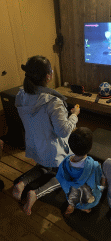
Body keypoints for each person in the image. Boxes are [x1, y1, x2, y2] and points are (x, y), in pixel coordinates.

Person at [12, 55, 80, 215]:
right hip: (53, 150)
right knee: (69, 171)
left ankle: (21, 184)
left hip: (34, 146)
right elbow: (63, 131)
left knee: (43, 166)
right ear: (48, 76)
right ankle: (35, 193)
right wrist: (74, 115)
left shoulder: (21, 95)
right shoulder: (53, 102)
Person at [56, 127, 105, 216]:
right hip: (87, 199)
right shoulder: (94, 165)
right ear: (90, 148)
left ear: (70, 145)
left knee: (74, 194)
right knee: (99, 188)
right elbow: (98, 182)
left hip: (71, 196)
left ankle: (72, 204)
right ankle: (84, 208)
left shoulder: (64, 162)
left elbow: (60, 177)